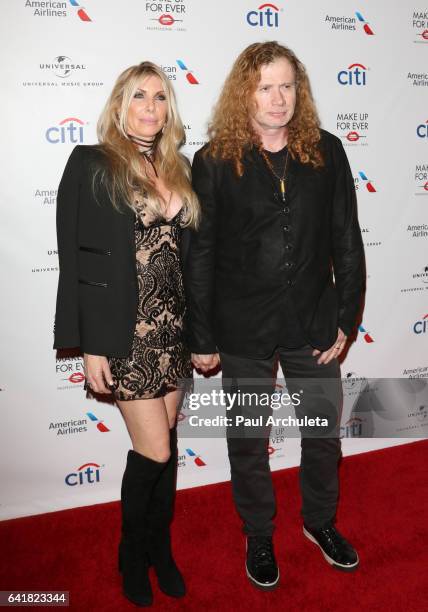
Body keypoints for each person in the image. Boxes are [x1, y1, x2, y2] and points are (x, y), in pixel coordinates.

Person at [185, 42, 365, 590]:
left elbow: (346, 239)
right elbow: (201, 254)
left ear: (299, 92)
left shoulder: (326, 151)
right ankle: (259, 533)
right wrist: (202, 333)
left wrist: (346, 318)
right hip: (241, 325)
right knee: (246, 439)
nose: (278, 97)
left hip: (312, 321)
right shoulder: (214, 160)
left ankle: (320, 523)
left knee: (322, 434)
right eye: (265, 86)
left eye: (287, 85)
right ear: (246, 93)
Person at [53, 61, 200, 606]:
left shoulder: (178, 167)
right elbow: (74, 259)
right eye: (140, 96)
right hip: (128, 335)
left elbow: (190, 256)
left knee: (168, 447)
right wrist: (88, 343)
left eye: (161, 98)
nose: (150, 107)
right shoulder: (93, 164)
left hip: (173, 331)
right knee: (155, 451)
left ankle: (160, 549)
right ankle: (131, 553)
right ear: (120, 105)